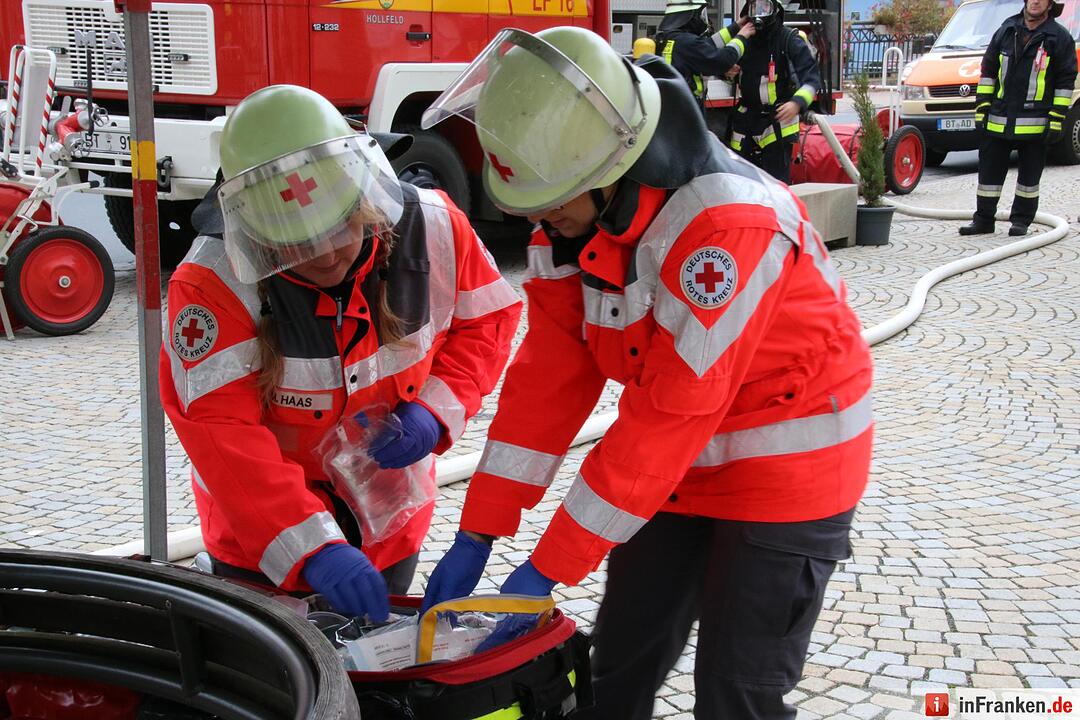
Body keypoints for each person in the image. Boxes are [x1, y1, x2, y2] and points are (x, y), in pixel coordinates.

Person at [420, 27, 873, 719]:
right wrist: (478, 530)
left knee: (736, 693)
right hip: (673, 474)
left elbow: (671, 412)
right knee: (618, 666)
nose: (541, 221)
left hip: (787, 471)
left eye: (553, 202)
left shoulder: (729, 226)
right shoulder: (570, 212)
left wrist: (549, 566)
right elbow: (549, 381)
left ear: (614, 166)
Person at [160, 84, 521, 622]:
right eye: (298, 241)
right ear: (256, 232)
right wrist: (312, 547)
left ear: (361, 191)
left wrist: (435, 411)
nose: (327, 254)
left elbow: (487, 320)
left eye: (339, 225)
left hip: (389, 528)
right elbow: (222, 435)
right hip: (263, 550)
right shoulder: (213, 285)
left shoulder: (435, 227)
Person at [959, 0, 1076, 236]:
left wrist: (1056, 118)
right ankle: (983, 220)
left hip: (1036, 122)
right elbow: (988, 71)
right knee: (989, 176)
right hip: (998, 118)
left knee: (1028, 179)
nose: (1035, 1)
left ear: (1049, 4)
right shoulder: (1006, 30)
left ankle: (1021, 221)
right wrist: (982, 106)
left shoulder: (1059, 38)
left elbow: (1065, 82)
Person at [727, 0, 822, 182]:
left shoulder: (788, 39)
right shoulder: (745, 38)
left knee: (776, 186)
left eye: (765, 7)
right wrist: (726, 70)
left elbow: (812, 78)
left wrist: (797, 103)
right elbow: (720, 61)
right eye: (755, 7)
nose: (760, 13)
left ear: (775, 9)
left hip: (778, 122)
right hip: (746, 120)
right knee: (739, 183)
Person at [654, 0, 755, 111]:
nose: (703, 19)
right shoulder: (688, 43)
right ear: (691, 16)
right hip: (686, 112)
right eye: (701, 14)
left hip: (671, 109)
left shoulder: (667, 38)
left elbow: (707, 46)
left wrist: (735, 28)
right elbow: (724, 60)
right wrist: (742, 37)